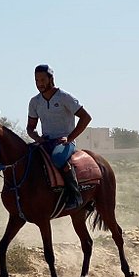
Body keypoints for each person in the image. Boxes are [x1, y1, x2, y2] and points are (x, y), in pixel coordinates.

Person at [26, 64, 92, 210]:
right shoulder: (35, 102)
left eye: (43, 79)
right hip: (45, 141)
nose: (40, 83)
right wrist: (37, 138)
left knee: (58, 157)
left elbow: (86, 118)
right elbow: (30, 128)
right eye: (37, 80)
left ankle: (75, 196)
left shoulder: (64, 97)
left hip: (64, 142)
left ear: (51, 79)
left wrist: (69, 138)